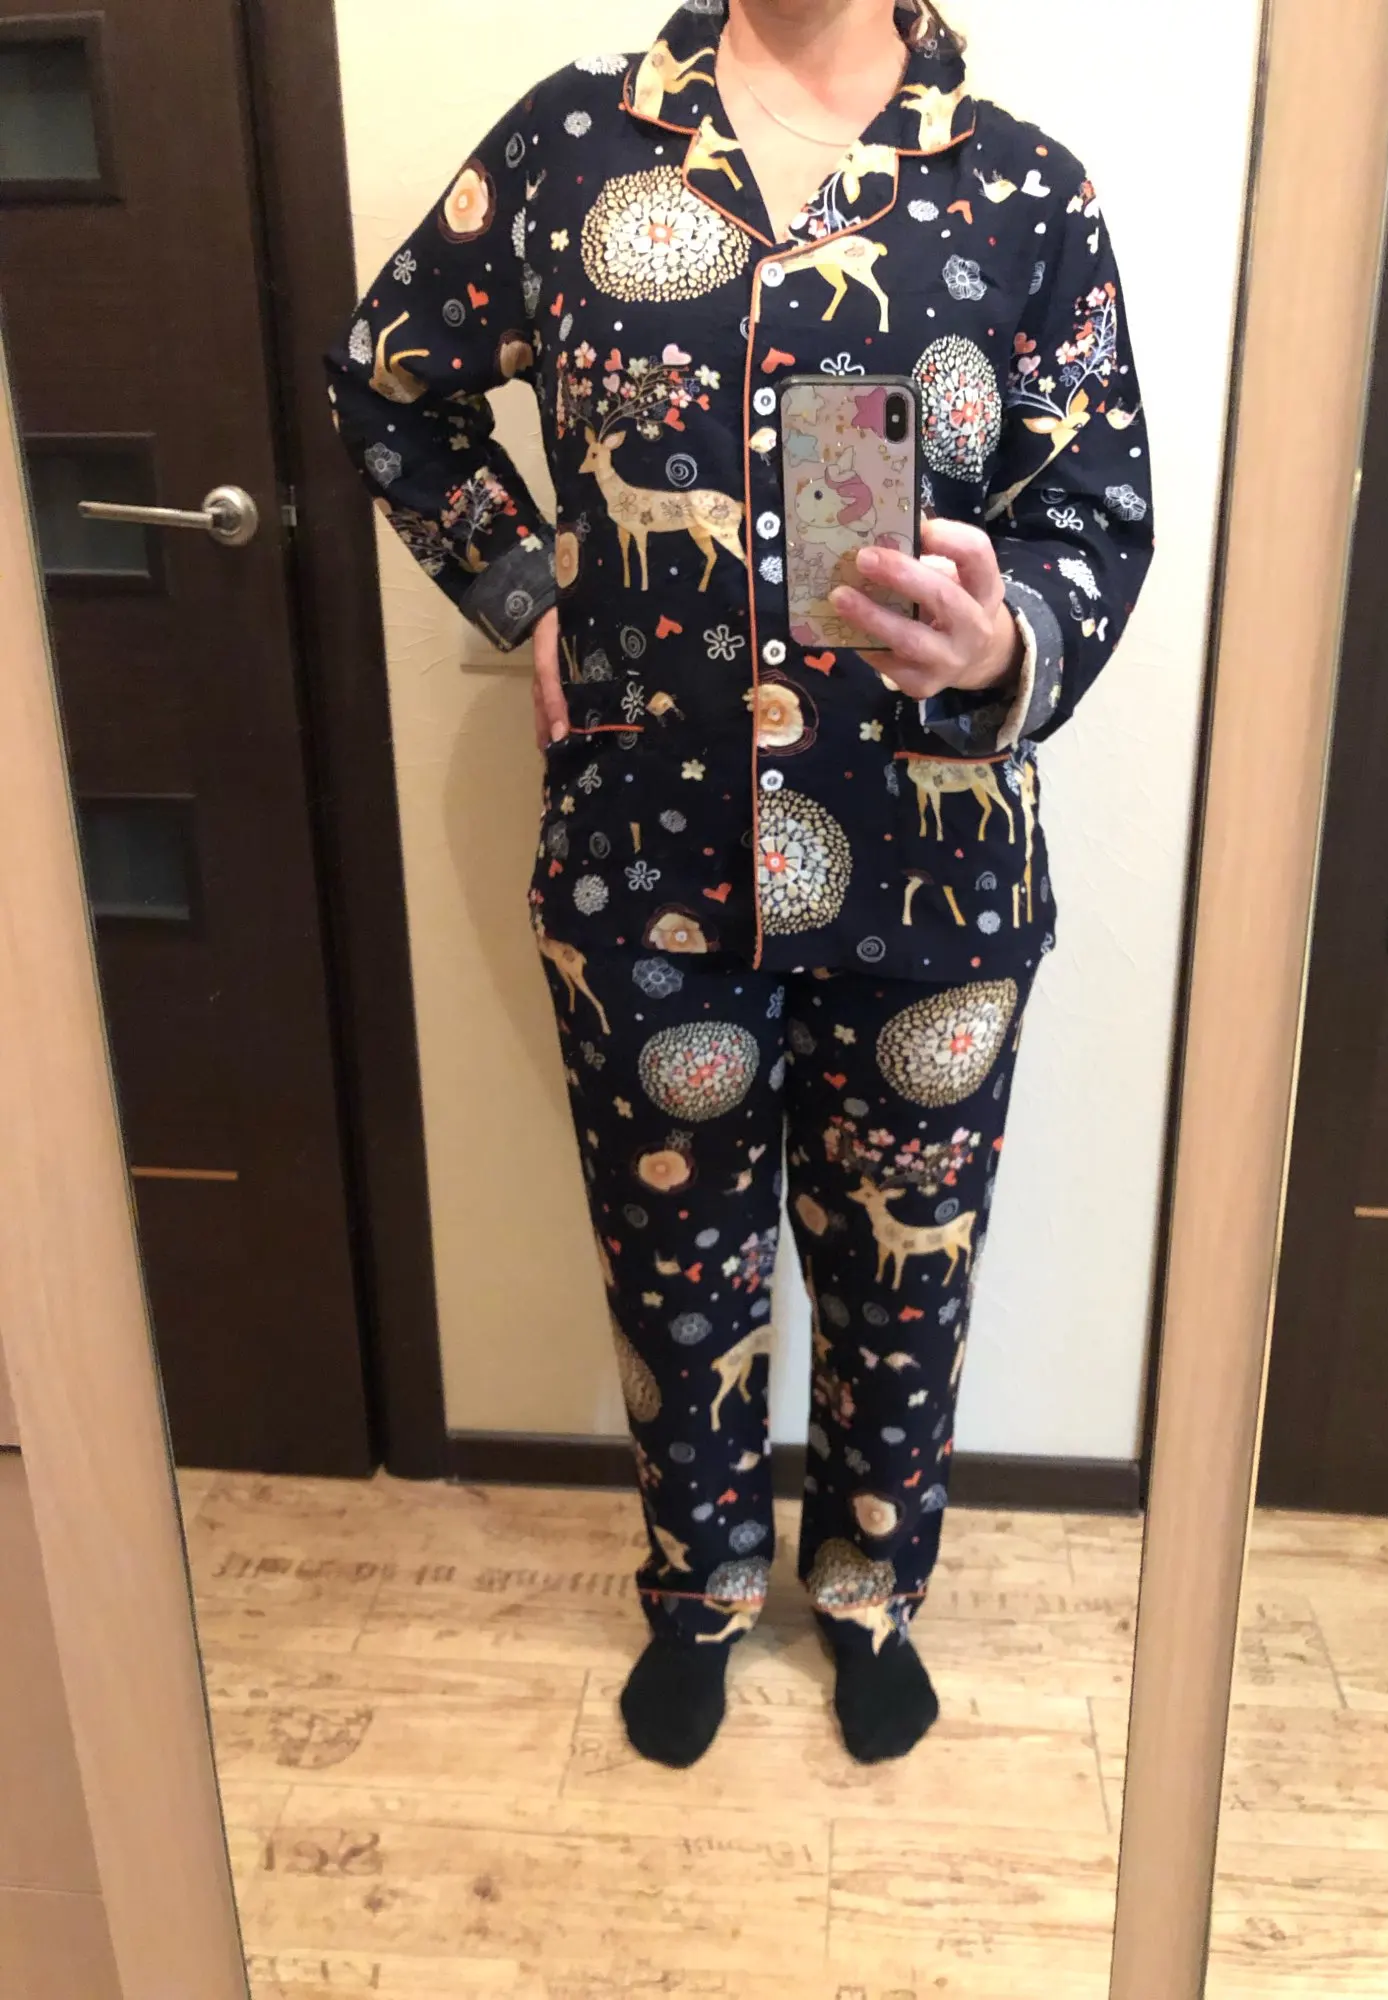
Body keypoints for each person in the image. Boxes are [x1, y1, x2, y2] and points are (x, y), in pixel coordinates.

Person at [326, 0, 1153, 1769]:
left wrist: (1011, 639)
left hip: (933, 867)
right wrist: (526, 588)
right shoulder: (570, 148)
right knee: (672, 1266)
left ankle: (868, 1589)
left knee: (905, 1269)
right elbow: (387, 375)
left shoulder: (1025, 191)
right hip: (649, 861)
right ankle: (697, 1588)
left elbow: (1098, 505)